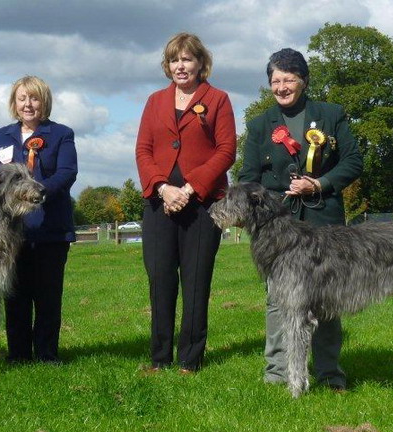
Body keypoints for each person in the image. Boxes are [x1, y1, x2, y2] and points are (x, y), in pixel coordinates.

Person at [238, 48, 363, 389]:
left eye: (289, 79)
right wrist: (271, 201)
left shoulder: (331, 115)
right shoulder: (260, 125)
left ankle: (329, 373)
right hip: (278, 228)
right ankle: (278, 374)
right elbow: (249, 177)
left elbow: (352, 162)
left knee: (328, 301)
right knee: (279, 301)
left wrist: (319, 183)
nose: (281, 87)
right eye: (275, 80)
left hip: (325, 220)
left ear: (304, 81)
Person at [0, 75, 77, 364]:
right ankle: (19, 354)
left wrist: (36, 192)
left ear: (43, 102)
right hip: (9, 234)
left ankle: (47, 354)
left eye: (34, 98)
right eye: (22, 98)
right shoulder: (1, 136)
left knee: (47, 297)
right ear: (14, 103)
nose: (28, 104)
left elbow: (67, 172)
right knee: (15, 296)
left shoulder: (61, 134)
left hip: (50, 229)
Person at [136, 32, 237, 373]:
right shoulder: (154, 101)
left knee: (195, 283)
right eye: (175, 60)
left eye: (187, 59)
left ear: (200, 63)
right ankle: (159, 358)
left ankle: (190, 361)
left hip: (202, 204)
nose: (181, 66)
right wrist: (163, 188)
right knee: (160, 281)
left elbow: (227, 151)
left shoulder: (218, 99)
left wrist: (190, 188)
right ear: (168, 66)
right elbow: (143, 150)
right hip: (159, 203)